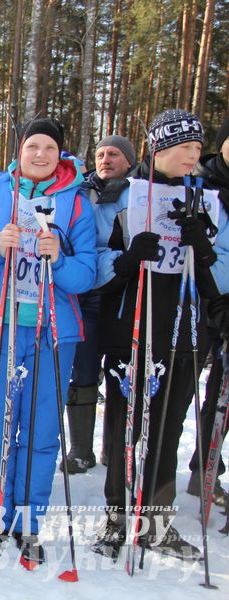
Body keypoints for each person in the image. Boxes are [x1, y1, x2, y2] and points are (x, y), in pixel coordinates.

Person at [92, 109, 229, 561]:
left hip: (183, 326)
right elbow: (98, 268)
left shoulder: (208, 198)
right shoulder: (126, 196)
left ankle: (155, 521)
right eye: (184, 147)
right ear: (160, 148)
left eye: (196, 148)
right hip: (131, 322)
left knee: (169, 425)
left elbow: (216, 273)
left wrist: (204, 250)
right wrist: (128, 259)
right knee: (122, 427)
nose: (194, 156)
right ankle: (116, 518)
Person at [0, 118, 96, 562]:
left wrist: (58, 256)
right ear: (19, 150)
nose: (40, 154)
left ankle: (29, 521)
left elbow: (86, 276)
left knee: (40, 434)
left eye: (49, 148)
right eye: (32, 146)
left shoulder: (76, 204)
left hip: (53, 334)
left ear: (61, 155)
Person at [60, 134, 136, 474]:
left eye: (114, 154)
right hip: (85, 294)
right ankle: (80, 448)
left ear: (129, 161)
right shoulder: (82, 192)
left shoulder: (139, 194)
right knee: (84, 369)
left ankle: (116, 447)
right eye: (101, 153)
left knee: (121, 372)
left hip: (124, 297)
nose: (105, 159)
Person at [186, 117, 229, 508]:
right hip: (198, 300)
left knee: (222, 393)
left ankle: (207, 469)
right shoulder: (200, 183)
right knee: (183, 385)